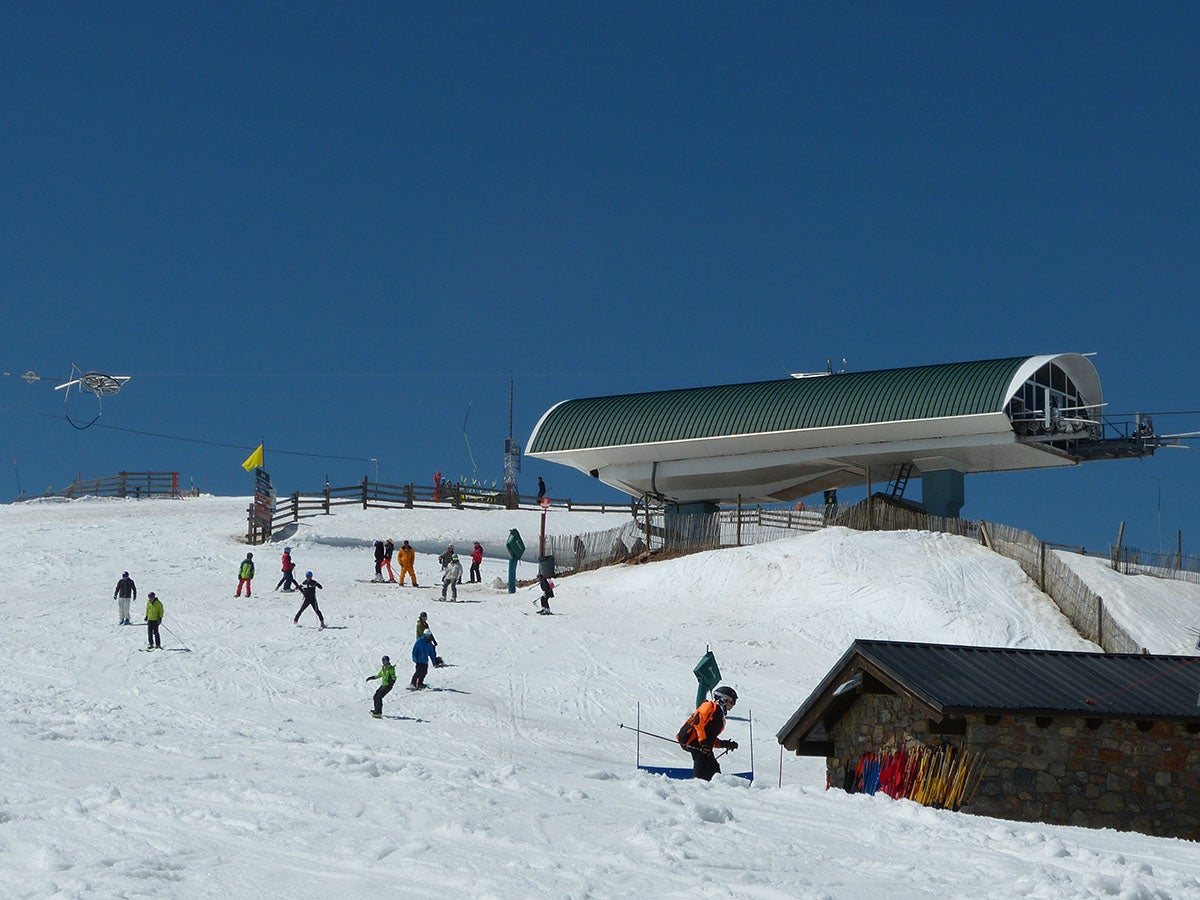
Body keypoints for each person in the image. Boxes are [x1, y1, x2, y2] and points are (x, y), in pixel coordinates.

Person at [676, 686, 739, 781]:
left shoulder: (719, 714)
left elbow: (709, 737)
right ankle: (698, 785)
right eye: (732, 702)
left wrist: (724, 744)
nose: (733, 705)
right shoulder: (709, 706)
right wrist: (703, 742)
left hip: (701, 745)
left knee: (714, 769)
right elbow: (698, 723)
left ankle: (711, 785)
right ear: (724, 699)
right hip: (694, 742)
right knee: (704, 766)